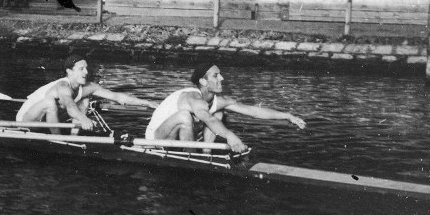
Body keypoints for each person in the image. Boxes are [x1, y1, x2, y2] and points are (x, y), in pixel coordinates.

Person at [145, 63, 305, 152]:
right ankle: (192, 159)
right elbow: (207, 118)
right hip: (155, 139)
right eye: (216, 75)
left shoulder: (217, 100)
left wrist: (287, 115)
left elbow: (253, 111)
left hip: (178, 139)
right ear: (203, 82)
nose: (222, 78)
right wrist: (230, 136)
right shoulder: (193, 97)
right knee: (184, 116)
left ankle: (205, 155)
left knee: (219, 112)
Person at [16, 55, 159, 133]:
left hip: (49, 119)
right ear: (69, 71)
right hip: (27, 119)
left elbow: (118, 97)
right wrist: (84, 119)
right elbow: (70, 106)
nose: (86, 72)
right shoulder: (62, 86)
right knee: (50, 103)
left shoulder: (88, 86)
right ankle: (57, 140)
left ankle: (73, 137)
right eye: (81, 69)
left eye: (86, 68)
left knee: (85, 100)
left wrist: (147, 102)